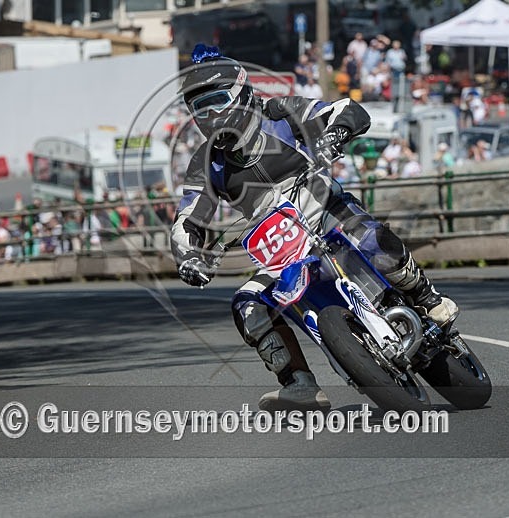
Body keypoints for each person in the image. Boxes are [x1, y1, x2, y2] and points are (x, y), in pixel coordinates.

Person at [172, 44, 460, 412]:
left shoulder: (280, 113)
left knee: (374, 242)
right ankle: (298, 383)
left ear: (240, 93)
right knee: (247, 304)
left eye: (216, 101)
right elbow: (188, 218)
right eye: (200, 107)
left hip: (328, 212)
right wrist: (189, 257)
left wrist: (335, 134)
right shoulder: (205, 162)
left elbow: (344, 109)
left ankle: (427, 297)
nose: (211, 114)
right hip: (279, 250)